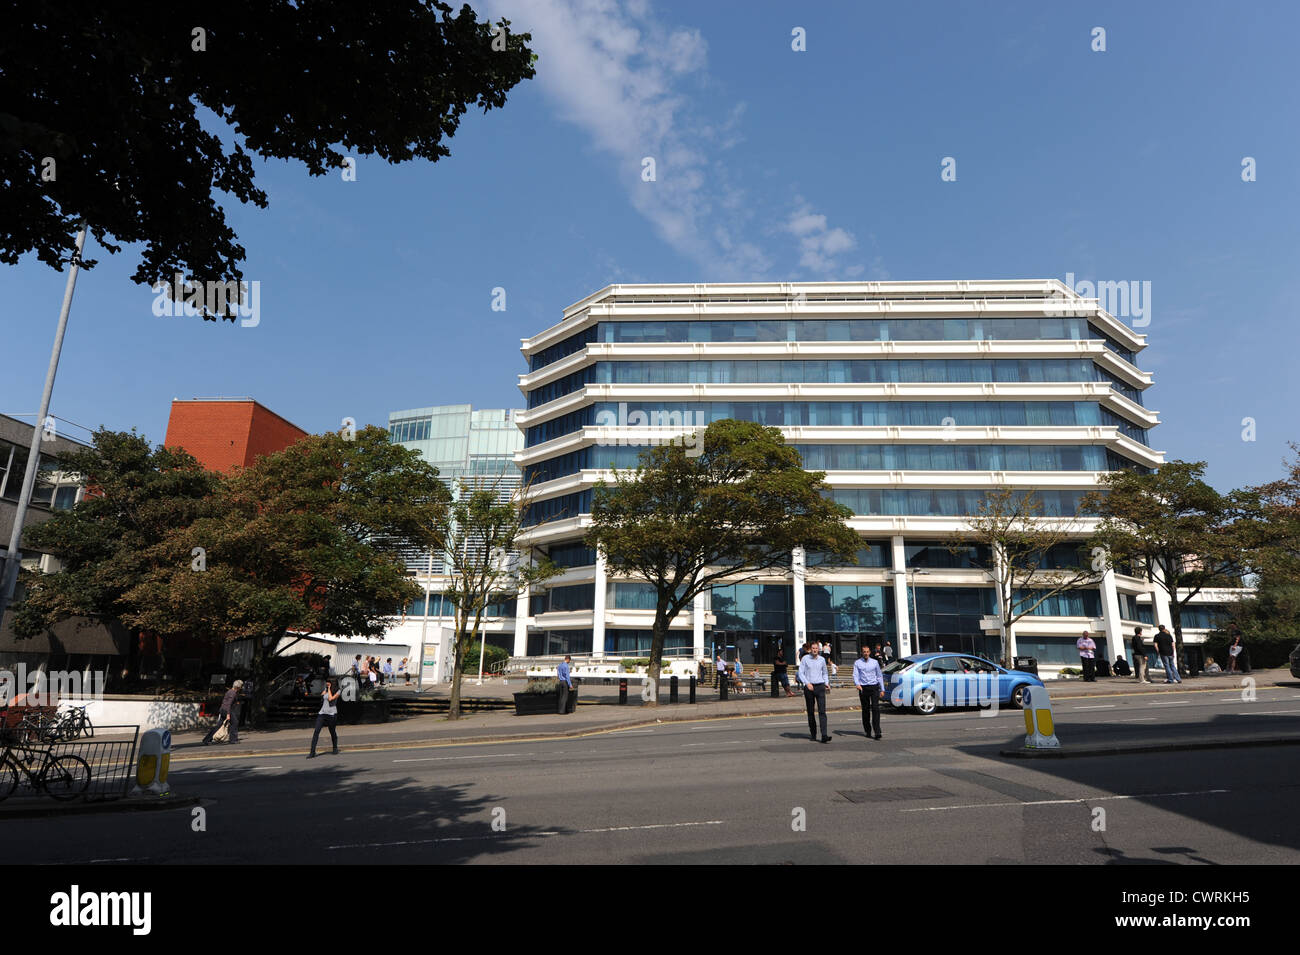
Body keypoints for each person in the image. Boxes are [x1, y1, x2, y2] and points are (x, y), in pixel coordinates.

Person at [798, 641, 831, 743]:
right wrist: (807, 683)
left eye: (816, 648)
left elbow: (825, 673)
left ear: (818, 649)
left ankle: (824, 735)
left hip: (820, 686)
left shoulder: (822, 659)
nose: (815, 650)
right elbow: (801, 673)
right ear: (810, 649)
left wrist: (826, 682)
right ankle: (813, 734)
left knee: (822, 711)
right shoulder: (805, 659)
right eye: (813, 648)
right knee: (811, 712)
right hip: (809, 687)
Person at [854, 645, 884, 740]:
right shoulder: (857, 663)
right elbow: (855, 675)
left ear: (870, 652)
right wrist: (857, 684)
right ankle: (867, 730)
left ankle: (877, 732)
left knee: (875, 709)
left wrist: (882, 689)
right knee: (865, 710)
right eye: (864, 652)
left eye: (867, 651)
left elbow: (879, 676)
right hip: (863, 688)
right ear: (862, 653)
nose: (866, 653)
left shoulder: (875, 662)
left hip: (874, 687)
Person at [308, 679, 342, 758]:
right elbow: (323, 696)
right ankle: (312, 752)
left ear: (332, 683)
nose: (326, 684)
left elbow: (330, 699)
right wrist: (325, 691)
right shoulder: (326, 689)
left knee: (332, 731)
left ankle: (335, 748)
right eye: (326, 683)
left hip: (331, 714)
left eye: (328, 683)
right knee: (316, 731)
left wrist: (329, 689)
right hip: (322, 714)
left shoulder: (338, 691)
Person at [202, 679, 243, 745]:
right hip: (227, 710)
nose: (241, 688)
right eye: (241, 686)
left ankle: (206, 739)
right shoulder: (233, 693)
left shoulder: (229, 691)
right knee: (235, 722)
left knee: (218, 726)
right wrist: (228, 714)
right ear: (238, 687)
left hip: (222, 709)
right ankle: (233, 740)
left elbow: (226, 701)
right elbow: (228, 704)